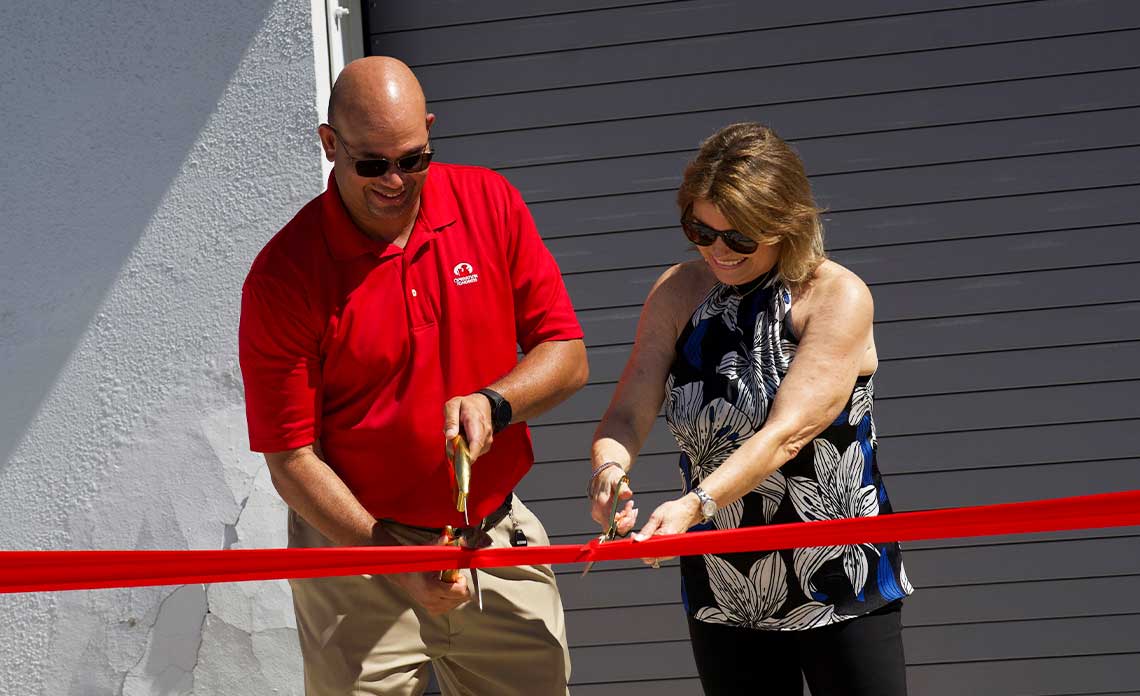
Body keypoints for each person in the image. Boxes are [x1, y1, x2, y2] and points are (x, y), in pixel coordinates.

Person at [239, 56, 587, 696]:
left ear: (430, 131)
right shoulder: (284, 274)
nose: (395, 180)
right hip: (357, 557)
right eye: (371, 163)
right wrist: (395, 561)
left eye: (412, 158)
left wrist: (496, 403)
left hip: (492, 538)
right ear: (329, 145)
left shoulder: (489, 201)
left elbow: (566, 353)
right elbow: (291, 458)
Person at [588, 122, 912, 695]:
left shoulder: (835, 294)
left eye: (739, 237)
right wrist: (610, 471)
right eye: (699, 230)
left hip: (837, 570)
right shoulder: (679, 291)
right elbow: (627, 414)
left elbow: (788, 433)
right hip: (725, 579)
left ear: (784, 222)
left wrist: (695, 504)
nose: (717, 250)